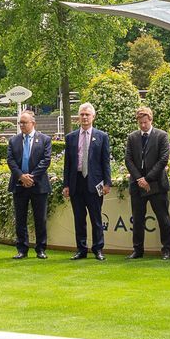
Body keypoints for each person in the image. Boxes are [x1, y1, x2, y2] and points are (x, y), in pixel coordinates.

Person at [124, 107, 170, 260]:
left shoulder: (162, 136)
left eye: (145, 122)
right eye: (140, 123)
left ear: (151, 120)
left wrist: (148, 179)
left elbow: (163, 159)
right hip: (137, 185)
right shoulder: (132, 137)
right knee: (137, 219)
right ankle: (137, 250)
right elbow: (128, 160)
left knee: (163, 218)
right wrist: (140, 179)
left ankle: (167, 249)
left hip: (157, 184)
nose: (143, 125)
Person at [63, 103, 112, 261]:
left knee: (96, 218)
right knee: (79, 218)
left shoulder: (102, 136)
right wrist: (66, 185)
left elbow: (105, 162)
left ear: (93, 117)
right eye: (82, 114)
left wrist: (107, 183)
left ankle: (98, 249)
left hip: (95, 183)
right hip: (76, 182)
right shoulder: (70, 137)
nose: (84, 117)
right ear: (79, 117)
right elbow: (67, 164)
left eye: (87, 115)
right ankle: (81, 249)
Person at [7, 112, 51, 259]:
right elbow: (11, 161)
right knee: (20, 219)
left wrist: (31, 177)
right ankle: (22, 249)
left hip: (38, 185)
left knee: (40, 219)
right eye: (20, 123)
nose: (22, 125)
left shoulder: (44, 139)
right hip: (19, 185)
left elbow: (46, 160)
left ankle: (41, 249)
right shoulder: (13, 141)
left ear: (33, 123)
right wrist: (21, 176)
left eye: (24, 123)